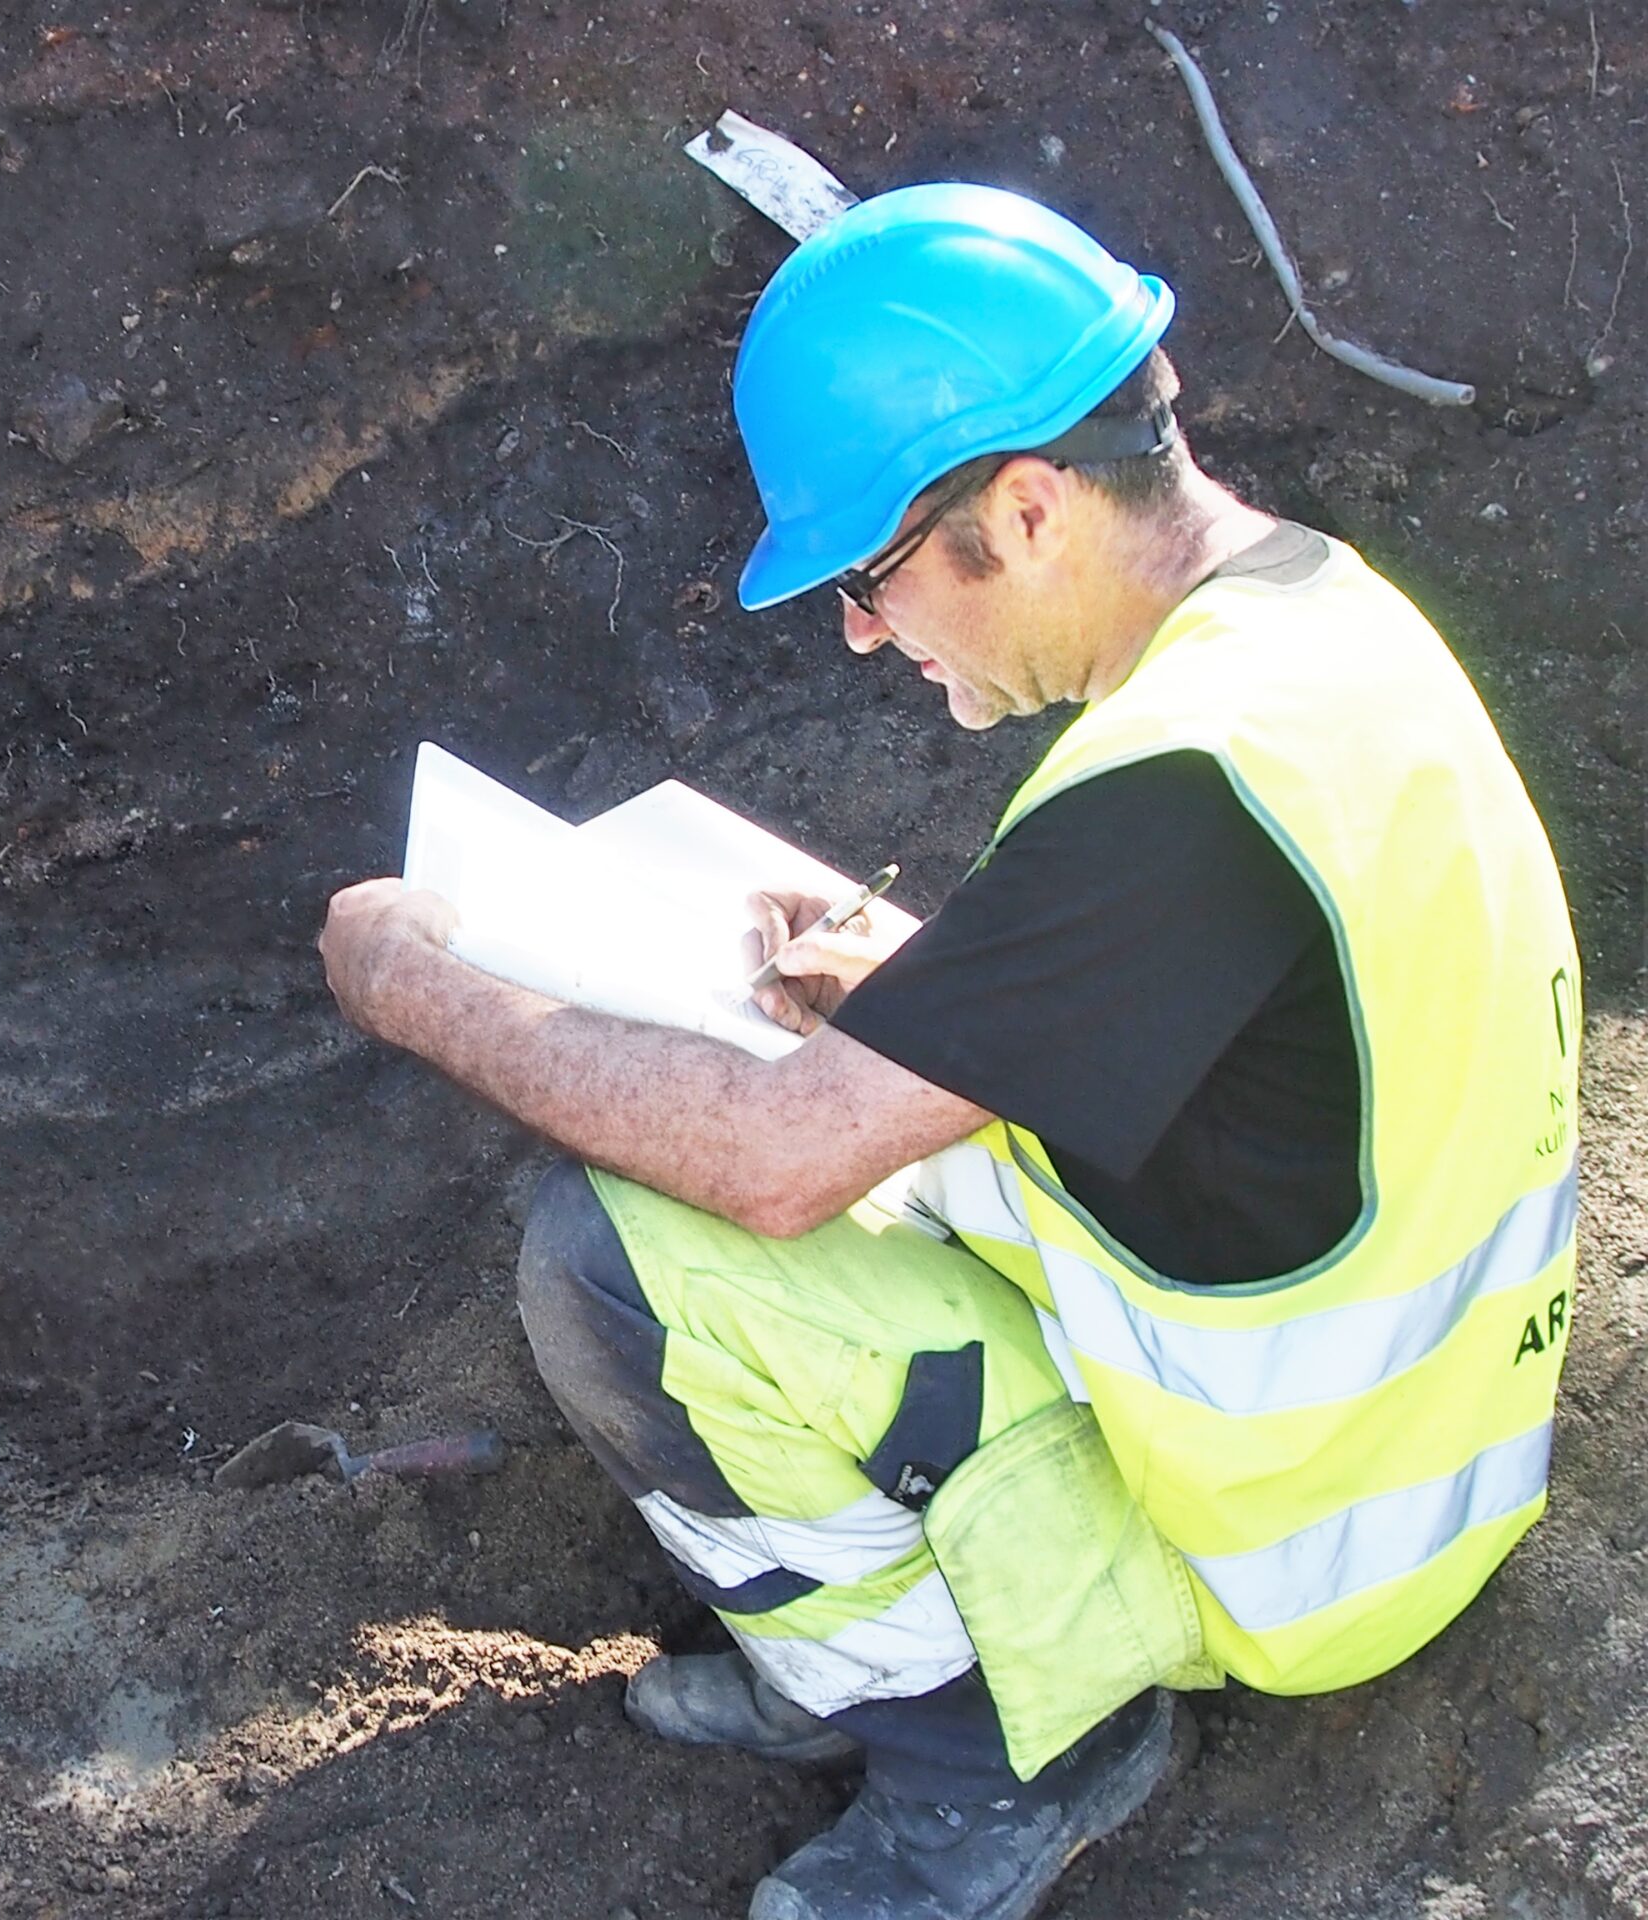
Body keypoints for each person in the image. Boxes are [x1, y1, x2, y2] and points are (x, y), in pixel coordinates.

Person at [316, 184, 1583, 1920]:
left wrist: (417, 988)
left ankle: (995, 1745)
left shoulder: (1179, 789)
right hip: (1411, 1459)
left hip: (1285, 1552)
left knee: (612, 1262)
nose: (860, 631)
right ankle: (927, 1663)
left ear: (1030, 506)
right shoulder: (1316, 634)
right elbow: (1228, 1013)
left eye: (870, 574)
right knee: (841, 1153)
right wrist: (921, 986)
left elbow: (771, 1168)